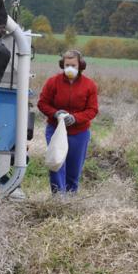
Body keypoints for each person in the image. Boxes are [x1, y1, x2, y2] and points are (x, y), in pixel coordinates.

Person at [37, 49, 99, 193]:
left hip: (79, 132)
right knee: (56, 163)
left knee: (74, 167)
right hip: (55, 129)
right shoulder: (53, 82)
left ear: (80, 66)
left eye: (73, 65)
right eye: (66, 65)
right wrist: (55, 113)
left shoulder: (89, 85)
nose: (70, 68)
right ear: (62, 65)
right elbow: (42, 103)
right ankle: (58, 197)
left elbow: (92, 109)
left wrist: (76, 118)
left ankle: (71, 198)